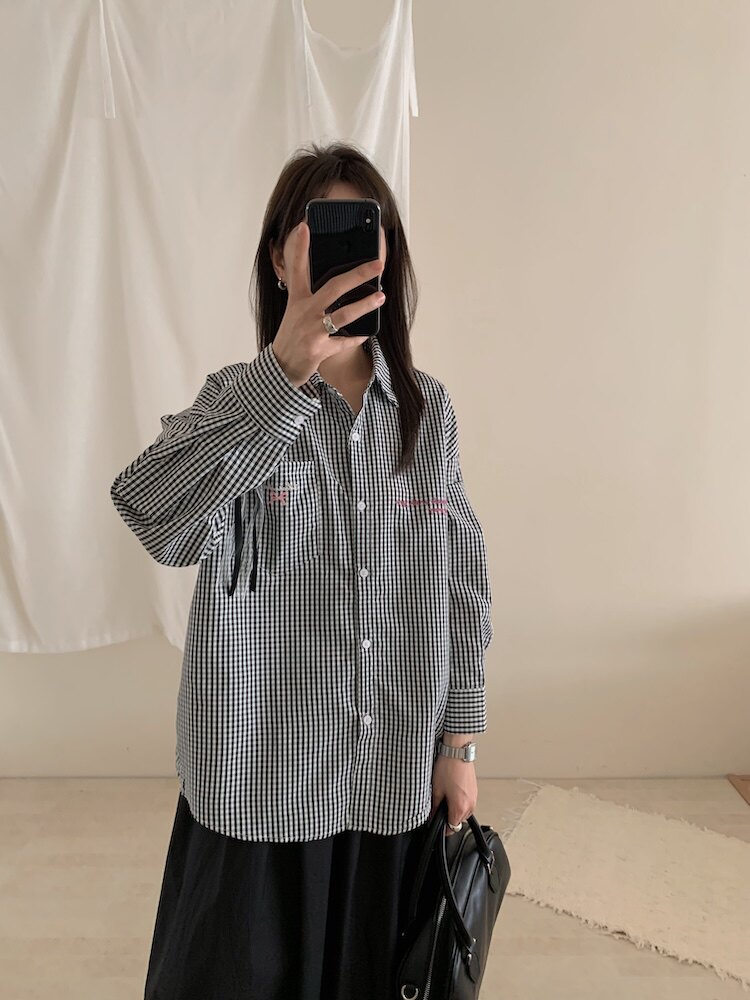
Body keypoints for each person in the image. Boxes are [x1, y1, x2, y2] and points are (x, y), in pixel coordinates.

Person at [110, 140, 493, 1000]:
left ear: (388, 258)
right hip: (255, 779)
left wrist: (459, 745)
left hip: (389, 775)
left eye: (365, 232)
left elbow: (462, 587)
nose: (343, 255)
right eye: (318, 235)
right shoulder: (234, 403)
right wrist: (283, 376)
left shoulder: (427, 414)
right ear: (281, 259)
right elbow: (154, 518)